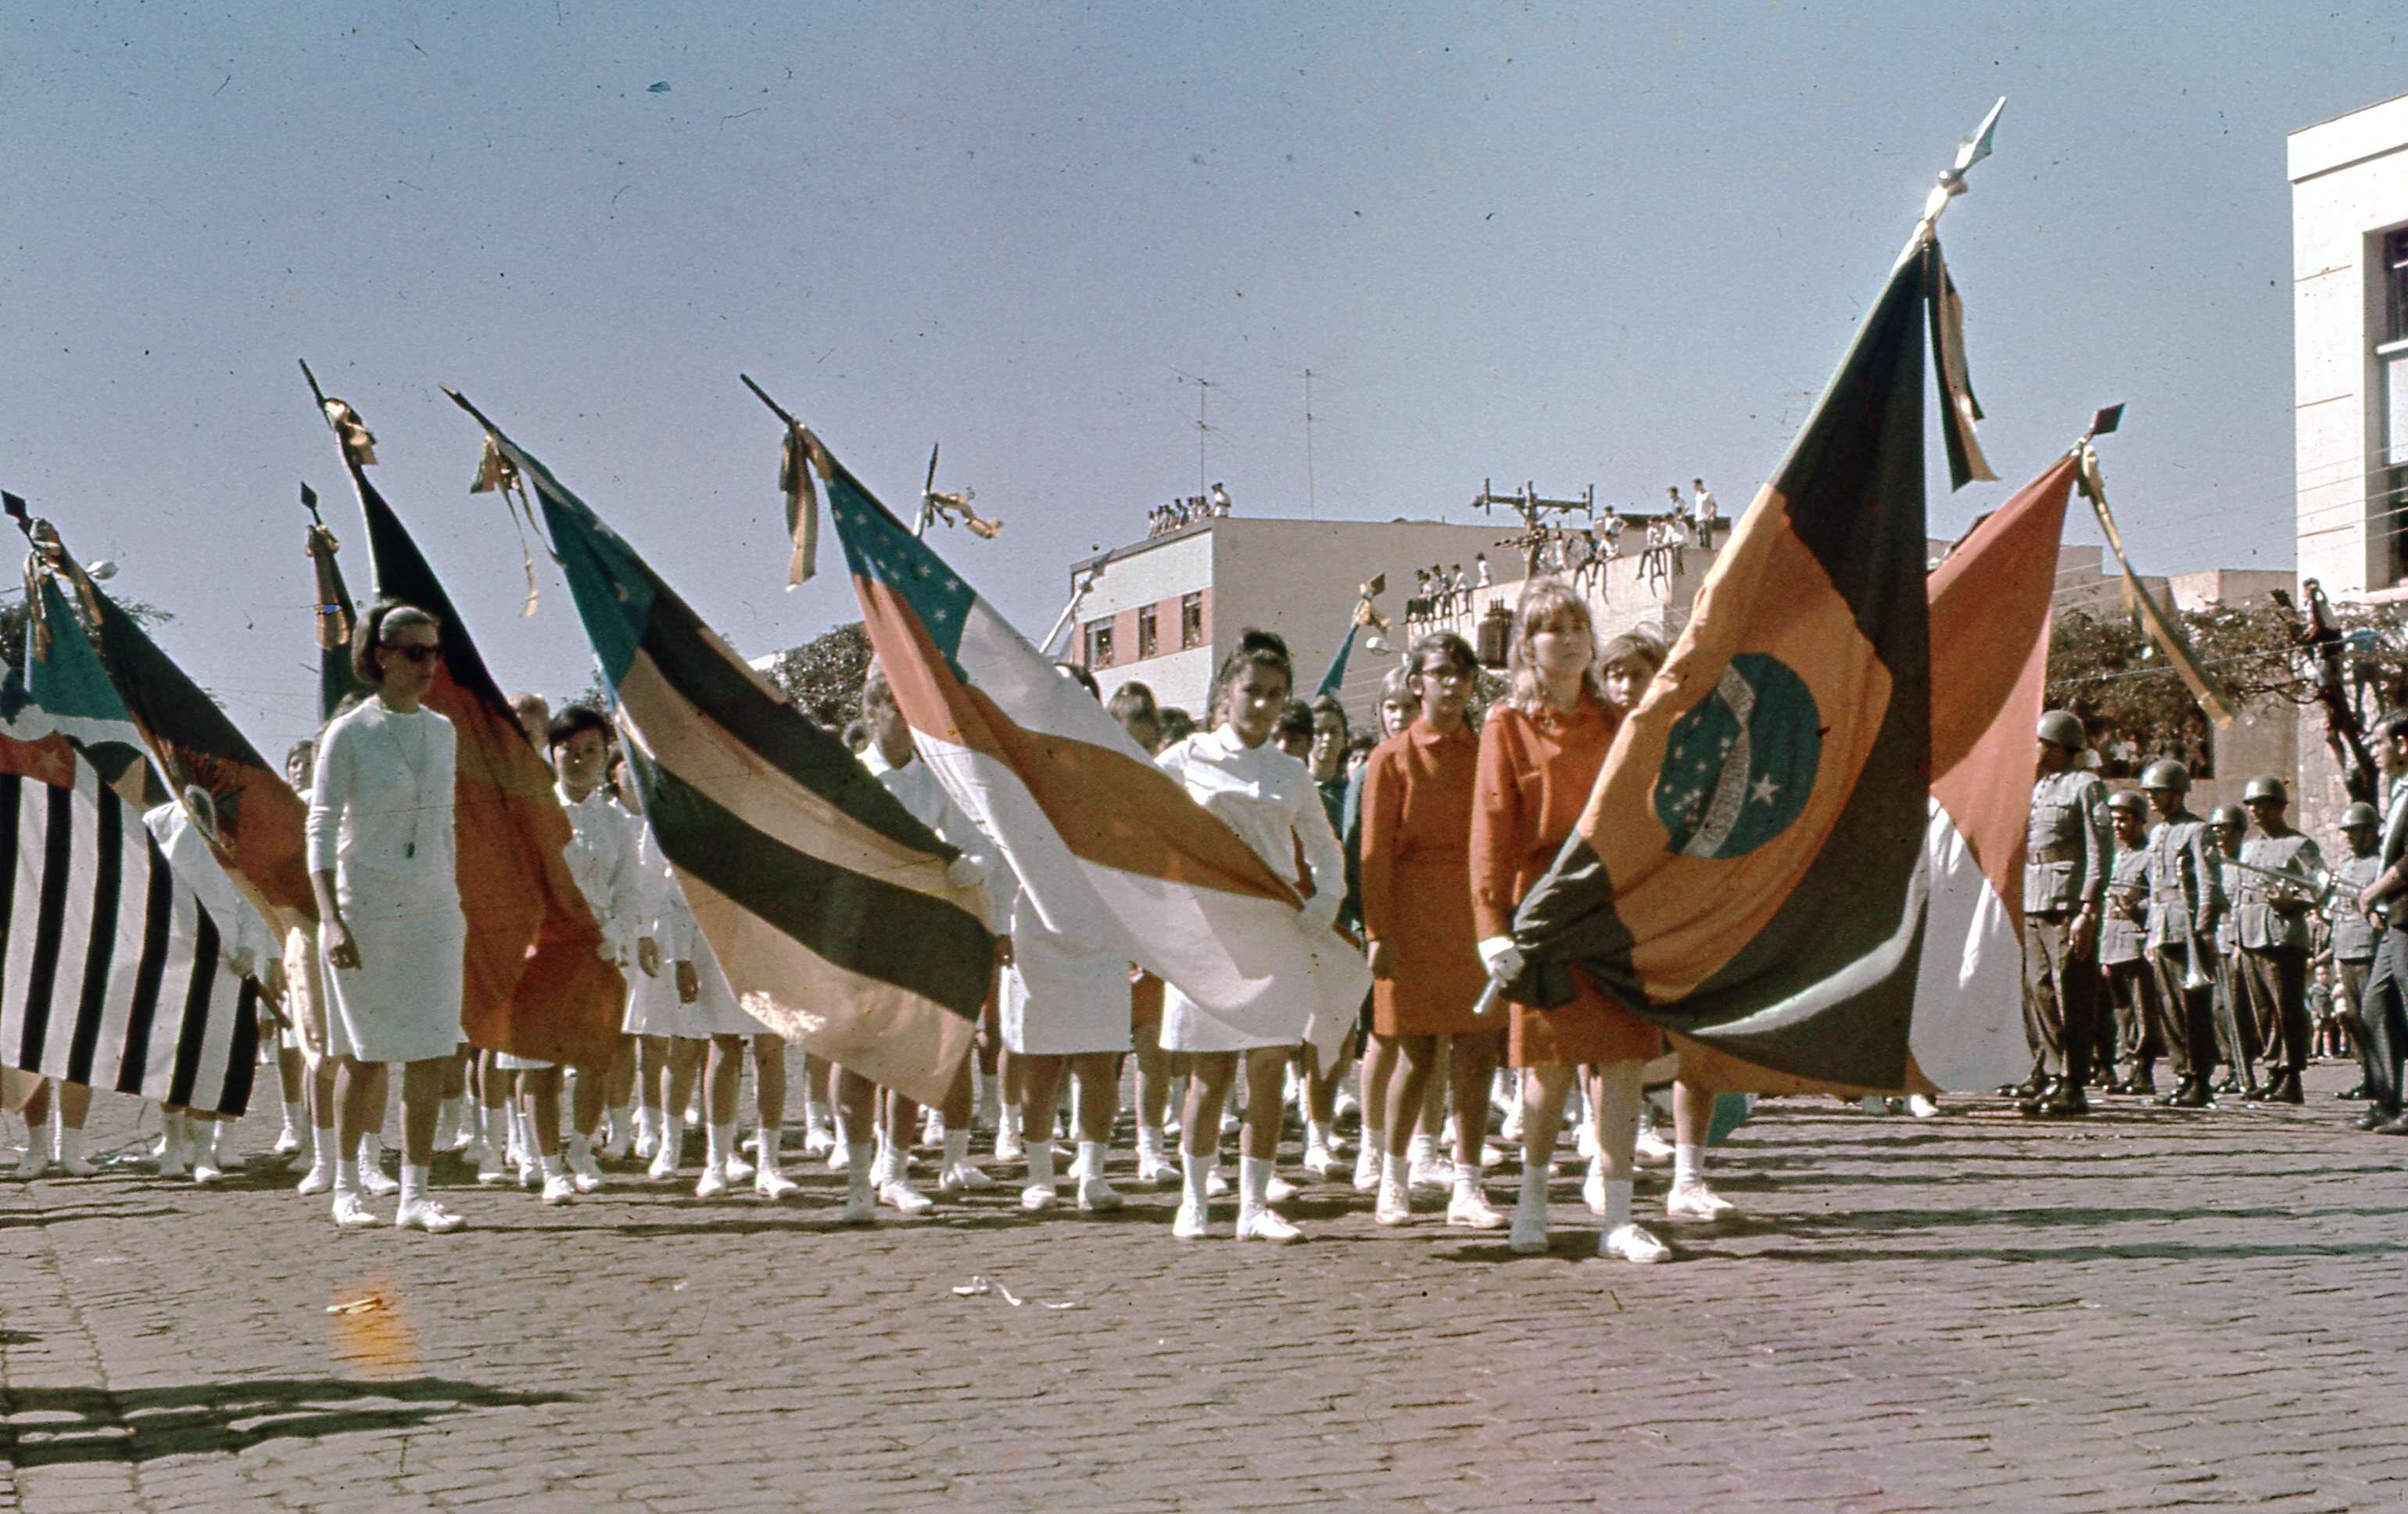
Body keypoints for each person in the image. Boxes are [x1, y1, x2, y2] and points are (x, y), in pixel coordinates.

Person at [1471, 581, 1669, 1264]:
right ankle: (1531, 1203)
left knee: (1620, 1061)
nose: (1572, 637)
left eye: (1578, 624)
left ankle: (1618, 1216)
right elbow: (1491, 828)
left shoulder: (1616, 722)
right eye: (1552, 627)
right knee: (1547, 1066)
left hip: (1609, 905)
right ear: (1528, 645)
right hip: (1544, 905)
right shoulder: (1508, 724)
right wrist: (1491, 925)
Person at [1156, 629, 1343, 1243]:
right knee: (1209, 1075)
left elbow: (1322, 845)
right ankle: (1194, 1199)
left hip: (1273, 927)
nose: (1262, 704)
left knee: (1267, 1069)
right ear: (1226, 693)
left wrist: (1327, 898)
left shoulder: (1290, 772)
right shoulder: (1187, 758)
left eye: (1275, 694)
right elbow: (1136, 817)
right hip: (1209, 930)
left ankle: (1255, 1204)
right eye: (1252, 692)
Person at [306, 601, 469, 1234]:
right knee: (365, 1056)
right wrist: (331, 919)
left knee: (432, 1051)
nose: (428, 665)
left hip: (431, 906)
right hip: (365, 906)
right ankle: (347, 1186)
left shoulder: (443, 730)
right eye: (414, 653)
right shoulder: (348, 733)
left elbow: (447, 823)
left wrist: (452, 901)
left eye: (435, 652)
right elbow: (318, 828)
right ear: (381, 657)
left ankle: (415, 1196)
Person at [1358, 631, 1500, 1229]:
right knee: (1415, 1057)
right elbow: (1374, 855)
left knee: (1476, 1054)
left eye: (1462, 673)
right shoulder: (1390, 758)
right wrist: (1378, 934)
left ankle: (1468, 1185)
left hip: (1473, 920)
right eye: (1440, 672)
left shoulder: (1489, 751)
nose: (1452, 683)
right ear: (1417, 683)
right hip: (1412, 919)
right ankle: (1393, 1180)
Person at [856, 666, 1002, 1210]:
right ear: (872, 713)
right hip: (868, 932)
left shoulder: (932, 779)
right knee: (874, 1057)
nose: (909, 720)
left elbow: (973, 840)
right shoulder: (853, 780)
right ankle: (869, 1166)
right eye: (897, 707)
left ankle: (905, 1168)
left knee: (921, 1051)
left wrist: (972, 864)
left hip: (921, 930)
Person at [496, 705, 638, 1204]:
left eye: (591, 752)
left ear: (606, 757)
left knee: (595, 1059)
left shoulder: (617, 822)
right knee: (541, 1064)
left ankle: (582, 1150)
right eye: (569, 752)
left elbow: (630, 888)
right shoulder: (533, 815)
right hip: (544, 948)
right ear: (552, 755)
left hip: (597, 949)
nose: (580, 762)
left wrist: (615, 933)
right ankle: (550, 1165)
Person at [2016, 711, 2110, 1118]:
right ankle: (2052, 1073)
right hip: (2034, 898)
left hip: (2067, 901)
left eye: (2039, 742)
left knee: (2072, 990)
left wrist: (2088, 908)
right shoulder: (2037, 787)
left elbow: (2099, 849)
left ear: (2056, 745)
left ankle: (2073, 1083)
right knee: (2038, 989)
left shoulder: (2086, 786)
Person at [2138, 759, 2223, 1110]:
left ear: (2178, 793)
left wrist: (2203, 929)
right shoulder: (2158, 834)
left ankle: (2199, 1078)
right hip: (2161, 927)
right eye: (2150, 794)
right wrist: (2149, 935)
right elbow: (2154, 886)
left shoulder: (2197, 831)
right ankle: (2182, 1074)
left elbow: (2209, 883)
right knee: (2170, 1010)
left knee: (2192, 1011)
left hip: (2185, 930)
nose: (2154, 800)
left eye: (2159, 793)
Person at [2234, 777, 2324, 1105]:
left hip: (2282, 937)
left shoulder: (2300, 845)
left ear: (2279, 807)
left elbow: (2319, 888)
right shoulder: (2249, 847)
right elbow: (2240, 894)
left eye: (2262, 804)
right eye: (2252, 805)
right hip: (2250, 934)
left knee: (2286, 1009)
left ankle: (2291, 1076)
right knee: (2263, 1011)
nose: (2256, 811)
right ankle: (2273, 1071)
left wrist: (2294, 902)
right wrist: (2235, 938)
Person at [2098, 791, 2163, 1094]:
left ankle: (2143, 1070)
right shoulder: (2117, 856)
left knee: (2142, 1009)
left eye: (2124, 820)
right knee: (2122, 1009)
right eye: (2114, 820)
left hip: (2136, 940)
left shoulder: (2150, 855)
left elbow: (2160, 899)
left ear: (2139, 821)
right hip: (2111, 942)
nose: (2118, 826)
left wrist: (2135, 907)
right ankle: (2127, 1063)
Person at [2329, 802, 2382, 1103]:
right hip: (2345, 948)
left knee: (2373, 1019)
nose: (2350, 836)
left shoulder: (2379, 864)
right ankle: (2368, 1076)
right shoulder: (2345, 866)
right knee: (2351, 1018)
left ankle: (2382, 1080)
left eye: (2356, 831)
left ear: (2370, 832)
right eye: (2347, 831)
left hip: (2370, 949)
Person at [2206, 804, 2258, 1096]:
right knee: (2219, 1011)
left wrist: (2239, 944)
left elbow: (2242, 908)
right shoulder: (2216, 866)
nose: (2219, 835)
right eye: (2216, 829)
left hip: (2238, 943)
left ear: (2239, 832)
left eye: (2224, 829)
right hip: (2217, 943)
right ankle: (2231, 1067)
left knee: (2237, 1011)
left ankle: (2244, 1071)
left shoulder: (2244, 865)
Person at [1692, 479, 1719, 549]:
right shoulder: (1697, 495)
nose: (1694, 488)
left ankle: (1708, 550)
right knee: (1699, 536)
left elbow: (1714, 505)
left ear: (1700, 485)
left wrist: (1709, 516)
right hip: (1698, 518)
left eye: (1695, 486)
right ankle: (1702, 550)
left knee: (1706, 536)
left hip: (1706, 519)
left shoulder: (1708, 494)